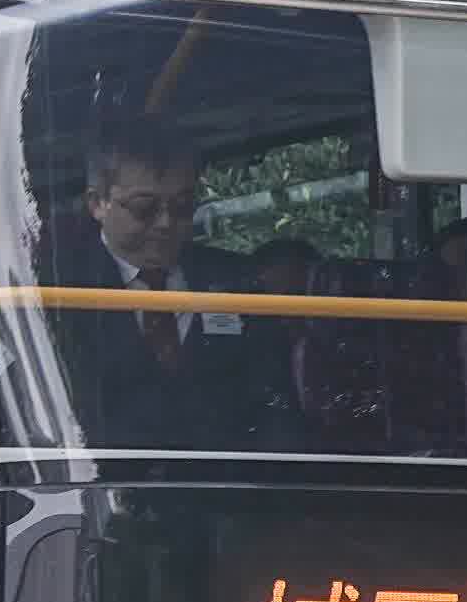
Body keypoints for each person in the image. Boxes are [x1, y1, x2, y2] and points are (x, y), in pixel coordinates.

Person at [34, 116, 282, 449]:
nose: (165, 223)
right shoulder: (49, 289)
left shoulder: (236, 279)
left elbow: (277, 402)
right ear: (97, 204)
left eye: (182, 207)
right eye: (144, 208)